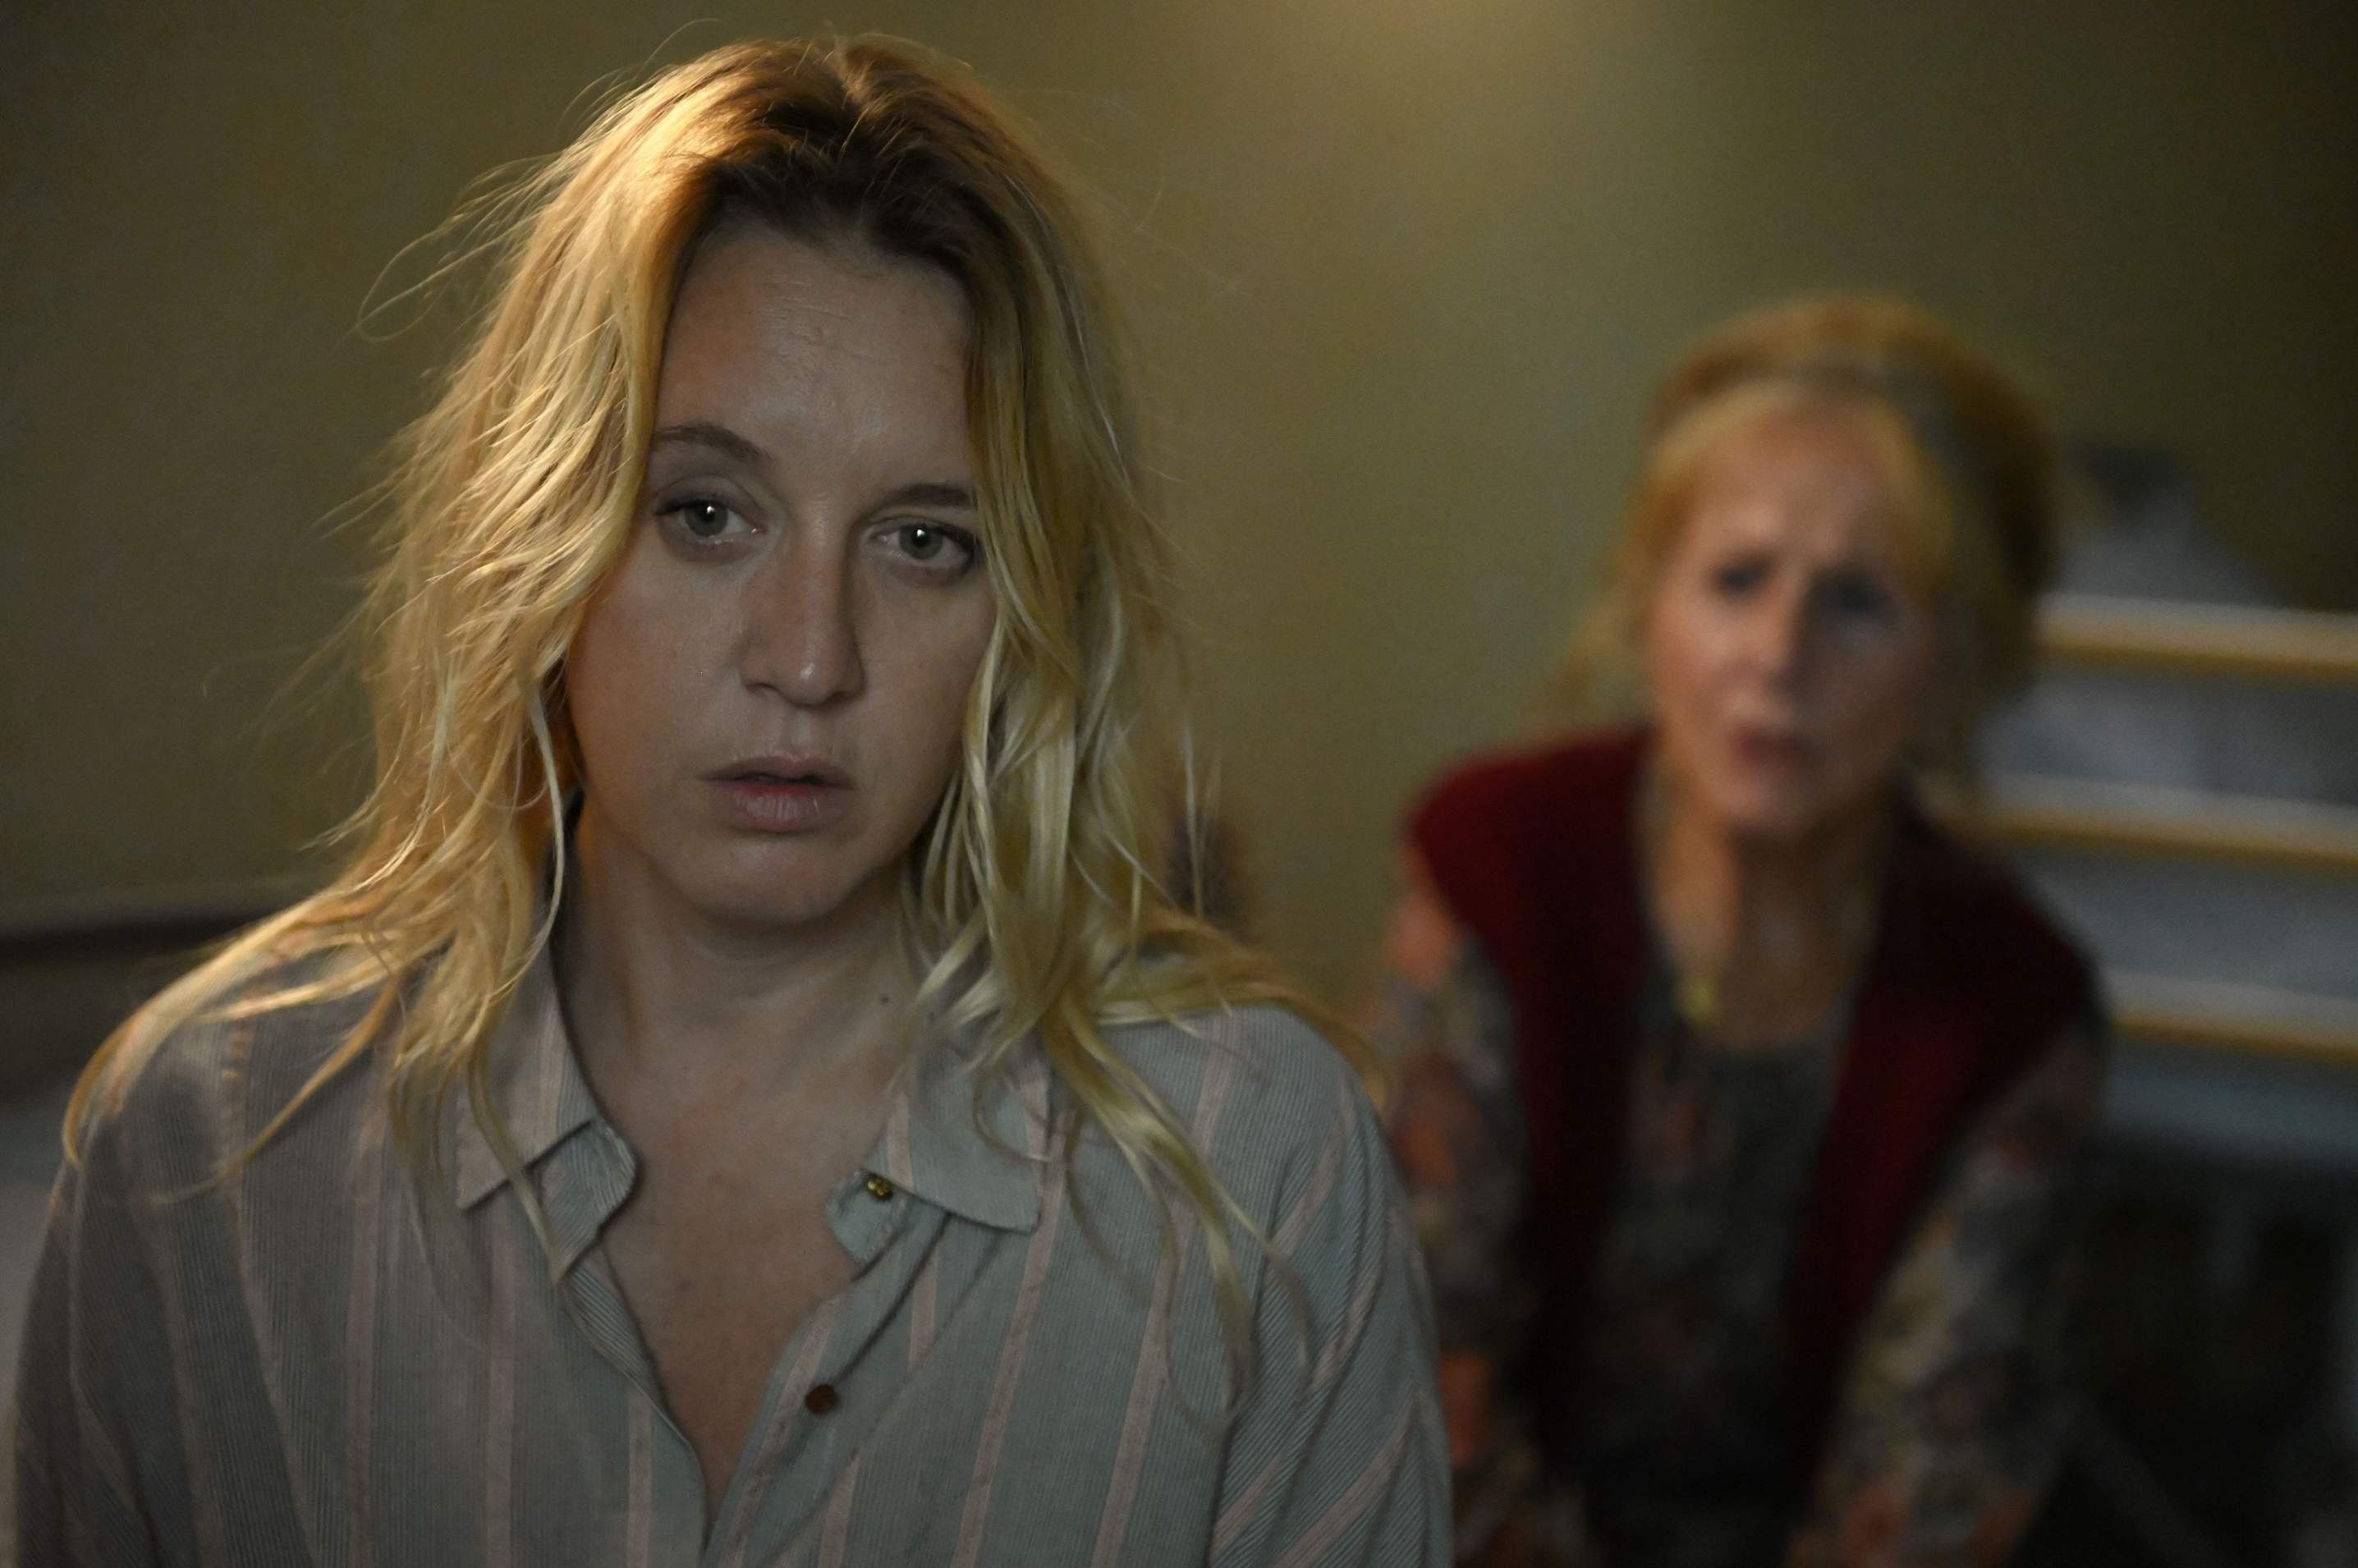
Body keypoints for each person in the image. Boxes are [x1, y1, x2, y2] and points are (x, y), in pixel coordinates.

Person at [11, 39, 1446, 1566]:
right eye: (706, 513)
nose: (810, 659)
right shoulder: (208, 1156)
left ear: (1024, 613)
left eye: (924, 542)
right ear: (541, 527)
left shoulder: (1248, 1169)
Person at [1378, 296, 2105, 1566]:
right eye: (1736, 579)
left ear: (1951, 663)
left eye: (1857, 601)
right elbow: (1412, 1366)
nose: (1778, 651)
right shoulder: (1501, 866)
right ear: (1648, 605)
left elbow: (1921, 1498)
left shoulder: (2012, 1008)